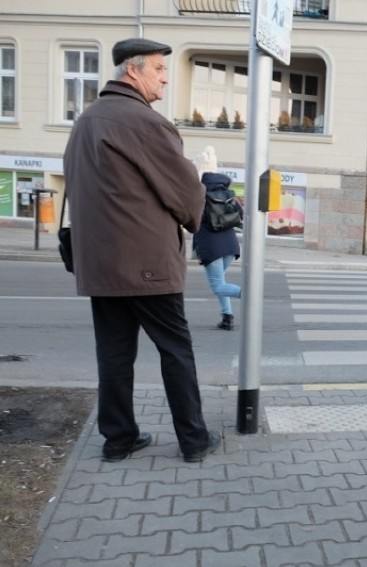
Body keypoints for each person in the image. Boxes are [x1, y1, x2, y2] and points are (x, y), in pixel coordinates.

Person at [63, 38, 220, 463]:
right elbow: (183, 194)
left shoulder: (86, 120)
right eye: (158, 68)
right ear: (133, 71)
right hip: (147, 262)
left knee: (114, 355)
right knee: (175, 351)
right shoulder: (144, 122)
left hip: (100, 263)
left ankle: (118, 441)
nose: (165, 77)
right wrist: (200, 179)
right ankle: (193, 440)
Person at [191, 147, 243, 331]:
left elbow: (190, 219)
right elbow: (240, 214)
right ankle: (227, 317)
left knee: (217, 286)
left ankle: (249, 294)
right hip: (230, 245)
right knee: (222, 281)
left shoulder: (198, 193)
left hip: (211, 247)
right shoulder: (225, 191)